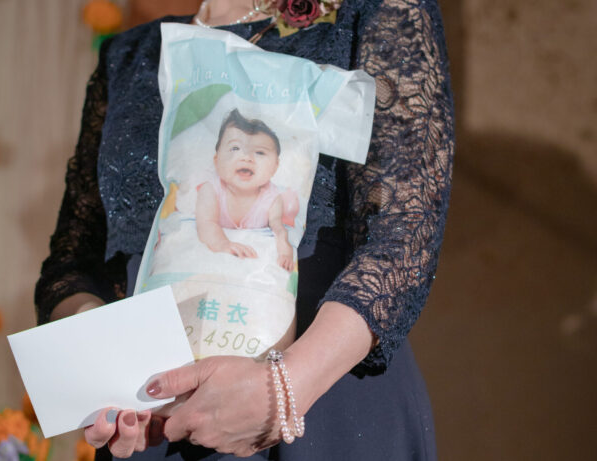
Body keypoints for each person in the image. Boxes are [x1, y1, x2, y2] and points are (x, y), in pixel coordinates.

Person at [35, 0, 454, 459]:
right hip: (156, 419)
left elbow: (403, 237)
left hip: (320, 403)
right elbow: (72, 263)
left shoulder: (373, 14)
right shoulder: (130, 54)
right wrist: (108, 365)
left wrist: (284, 389)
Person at [195, 108, 295, 271]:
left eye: (260, 152)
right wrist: (223, 244)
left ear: (275, 167)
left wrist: (285, 253)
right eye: (235, 148)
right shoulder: (211, 190)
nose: (247, 158)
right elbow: (206, 223)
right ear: (217, 160)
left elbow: (278, 229)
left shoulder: (271, 198)